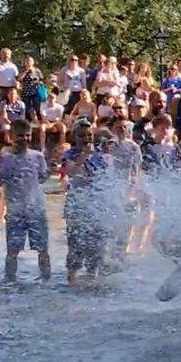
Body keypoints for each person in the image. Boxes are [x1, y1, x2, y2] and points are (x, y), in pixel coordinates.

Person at [0, 119, 51, 282]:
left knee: (42, 248)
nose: (24, 139)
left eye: (27, 135)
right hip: (15, 212)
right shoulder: (5, 159)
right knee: (12, 250)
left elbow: (42, 178)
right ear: (12, 136)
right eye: (20, 135)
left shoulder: (37, 156)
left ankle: (46, 279)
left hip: (36, 209)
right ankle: (10, 280)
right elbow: (0, 179)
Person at [61, 119, 109, 284]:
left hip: (96, 205)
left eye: (89, 135)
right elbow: (72, 171)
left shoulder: (99, 155)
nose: (86, 138)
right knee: (75, 247)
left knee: (97, 247)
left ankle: (92, 281)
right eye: (82, 135)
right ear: (74, 137)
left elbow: (106, 180)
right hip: (77, 206)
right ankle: (72, 282)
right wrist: (84, 155)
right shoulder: (69, 155)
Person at [17, 55, 43, 123]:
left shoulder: (37, 70)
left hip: (35, 92)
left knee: (37, 108)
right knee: (27, 109)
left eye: (30, 61)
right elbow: (19, 79)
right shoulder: (23, 70)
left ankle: (39, 122)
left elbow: (41, 80)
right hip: (26, 92)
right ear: (25, 63)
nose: (29, 62)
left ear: (33, 62)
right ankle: (29, 123)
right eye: (27, 61)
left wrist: (37, 82)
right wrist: (26, 71)